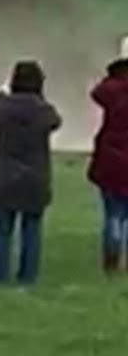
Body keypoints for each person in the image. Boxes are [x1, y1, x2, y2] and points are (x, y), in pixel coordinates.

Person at [0, 60, 62, 286]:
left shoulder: (4, 108)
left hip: (5, 177)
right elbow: (56, 122)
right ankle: (28, 276)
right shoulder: (43, 110)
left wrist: (1, 95)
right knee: (32, 230)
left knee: (2, 230)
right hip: (35, 178)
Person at [88, 55, 128, 274]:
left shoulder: (112, 91)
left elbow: (97, 93)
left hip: (112, 159)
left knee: (113, 214)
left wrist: (113, 74)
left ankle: (112, 259)